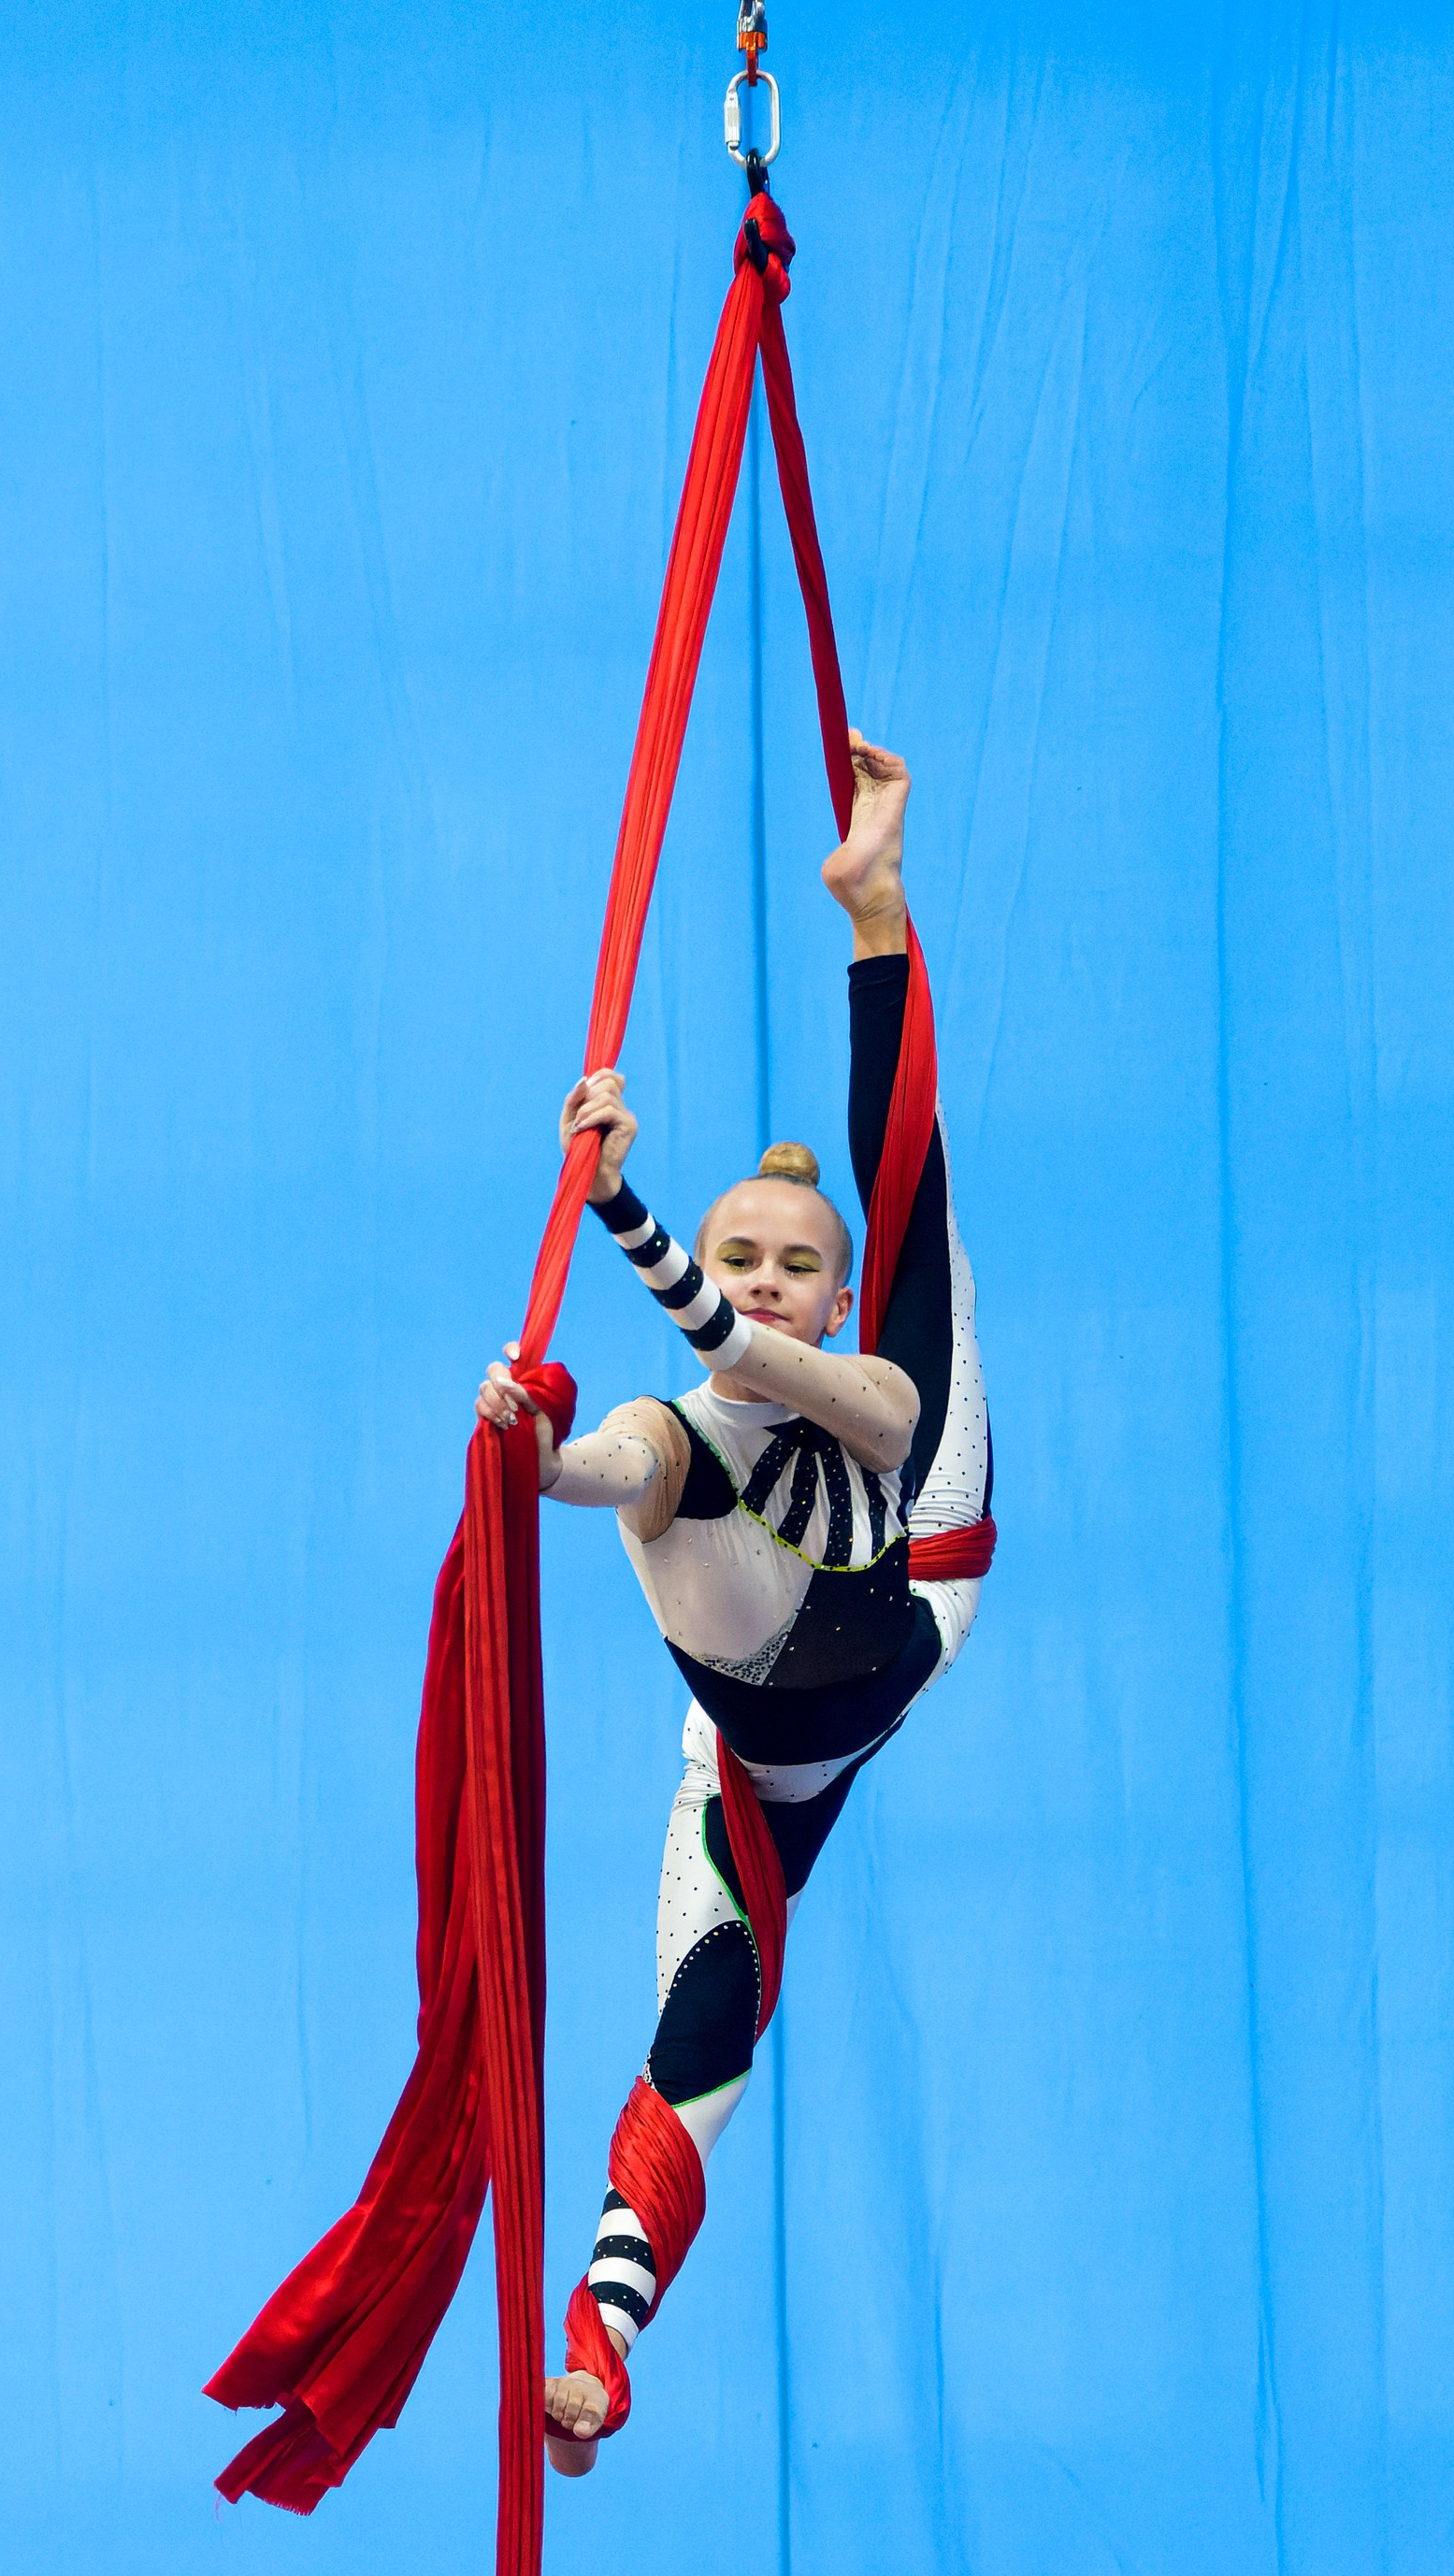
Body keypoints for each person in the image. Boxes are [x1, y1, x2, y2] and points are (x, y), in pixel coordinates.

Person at [477, 734, 992, 2474]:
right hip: (761, 1735)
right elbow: (643, 1450)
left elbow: (843, 1362)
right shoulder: (688, 1430)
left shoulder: (870, 1385)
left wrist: (629, 1210)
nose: (772, 1270)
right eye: (745, 1246)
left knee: (919, 1263)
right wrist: (536, 1460)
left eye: (800, 1258)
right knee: (706, 2030)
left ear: (826, 1290)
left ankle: (877, 916)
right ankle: (602, 2354)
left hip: (913, 1568)